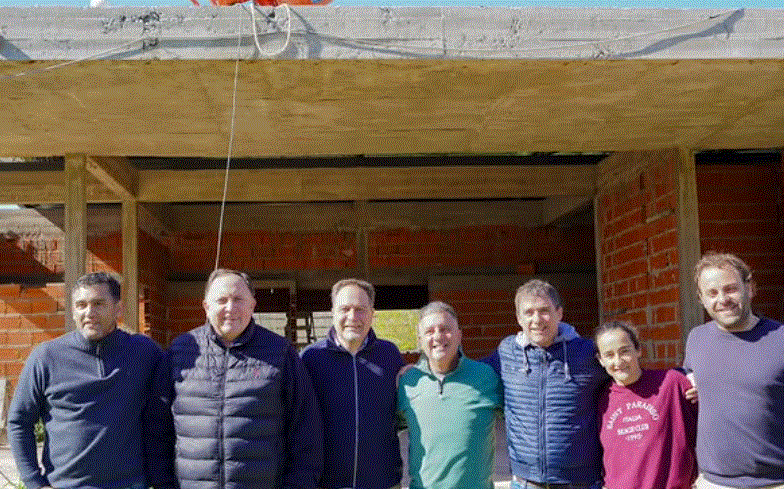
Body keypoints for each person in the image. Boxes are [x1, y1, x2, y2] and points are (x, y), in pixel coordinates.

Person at [7, 272, 174, 489]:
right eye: (81, 305)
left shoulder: (144, 353)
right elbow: (19, 421)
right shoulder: (47, 357)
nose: (89, 313)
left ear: (118, 309)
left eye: (98, 304)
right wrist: (34, 483)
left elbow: (168, 411)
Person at [167, 268, 323, 489]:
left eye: (238, 299)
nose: (230, 308)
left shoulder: (280, 353)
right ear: (206, 306)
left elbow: (306, 431)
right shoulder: (180, 352)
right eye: (221, 300)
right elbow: (157, 429)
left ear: (252, 305)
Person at [484, 278, 606, 489]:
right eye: (529, 312)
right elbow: (467, 374)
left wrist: (680, 378)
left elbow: (630, 376)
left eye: (544, 311)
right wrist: (421, 370)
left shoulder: (588, 353)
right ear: (518, 318)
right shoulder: (507, 352)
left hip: (580, 481)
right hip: (526, 481)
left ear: (559, 313)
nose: (537, 319)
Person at [684, 252, 784, 489]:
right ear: (701, 299)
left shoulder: (780, 339)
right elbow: (690, 376)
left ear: (749, 289)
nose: (722, 299)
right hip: (713, 482)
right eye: (712, 293)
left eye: (730, 289)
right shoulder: (697, 339)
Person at [301, 278, 404, 489]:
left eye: (360, 309)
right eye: (345, 309)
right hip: (326, 483)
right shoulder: (310, 358)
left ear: (372, 314)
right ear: (333, 312)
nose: (352, 317)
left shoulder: (390, 355)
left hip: (382, 482)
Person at [398, 301, 502, 489]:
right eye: (429, 332)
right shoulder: (408, 383)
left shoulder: (486, 376)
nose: (437, 336)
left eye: (445, 329)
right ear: (420, 339)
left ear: (459, 335)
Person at [595, 320, 697, 489]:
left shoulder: (671, 384)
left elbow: (712, 414)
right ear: (601, 360)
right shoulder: (600, 399)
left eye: (625, 351)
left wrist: (703, 388)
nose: (618, 361)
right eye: (609, 355)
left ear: (638, 350)